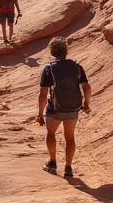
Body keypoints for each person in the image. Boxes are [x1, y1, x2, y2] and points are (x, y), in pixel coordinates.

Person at [37, 36, 91, 179]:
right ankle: (68, 168)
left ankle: (52, 163)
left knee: (51, 133)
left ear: (52, 52)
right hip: (73, 108)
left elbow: (43, 94)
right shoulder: (76, 67)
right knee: (70, 137)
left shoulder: (49, 69)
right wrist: (86, 104)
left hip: (55, 108)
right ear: (66, 51)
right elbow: (86, 87)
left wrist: (39, 114)